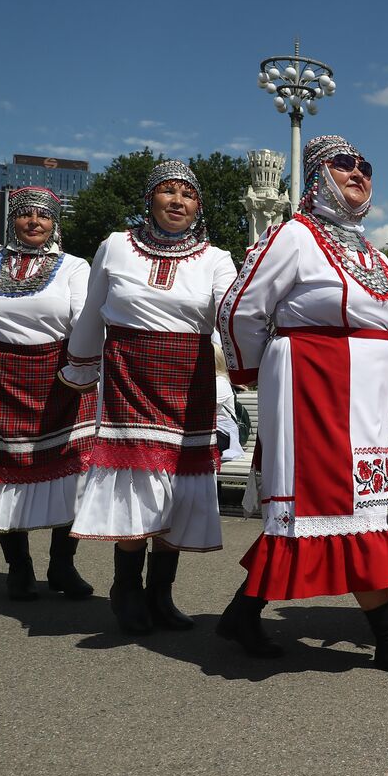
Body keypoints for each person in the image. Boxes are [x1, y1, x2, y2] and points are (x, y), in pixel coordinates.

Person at [217, 135, 388, 676]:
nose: (358, 173)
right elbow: (240, 308)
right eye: (343, 165)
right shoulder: (295, 235)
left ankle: (243, 612)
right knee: (337, 507)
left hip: (363, 401)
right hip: (313, 387)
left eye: (366, 166)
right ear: (318, 176)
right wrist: (265, 371)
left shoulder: (373, 253)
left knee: (342, 508)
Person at [61, 161, 237, 634]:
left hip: (189, 381)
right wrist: (79, 364)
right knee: (138, 484)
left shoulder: (216, 258)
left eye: (189, 195)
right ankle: (127, 589)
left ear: (199, 206)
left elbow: (230, 309)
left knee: (179, 488)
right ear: (150, 198)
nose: (178, 201)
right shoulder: (116, 246)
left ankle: (161, 594)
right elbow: (93, 311)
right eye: (168, 192)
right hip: (128, 377)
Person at [0, 187, 96, 599]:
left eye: (42, 216)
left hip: (61, 382)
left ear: (54, 223)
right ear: (13, 220)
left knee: (73, 471)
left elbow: (84, 317)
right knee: (2, 473)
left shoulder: (73, 267)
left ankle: (62, 565)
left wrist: (90, 366)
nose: (34, 222)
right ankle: (18, 567)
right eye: (25, 214)